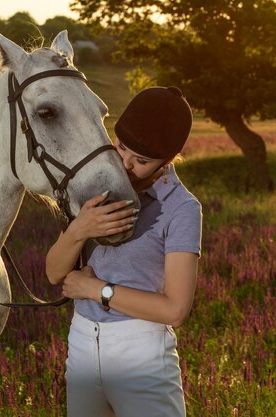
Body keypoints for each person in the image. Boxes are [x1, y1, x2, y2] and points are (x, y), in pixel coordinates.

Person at [46, 86, 202, 417]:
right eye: (121, 148)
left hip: (141, 354)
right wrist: (79, 229)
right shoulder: (95, 187)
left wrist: (93, 289)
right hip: (83, 345)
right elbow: (54, 273)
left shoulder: (182, 208)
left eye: (142, 161)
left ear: (168, 160)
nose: (126, 164)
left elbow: (175, 310)